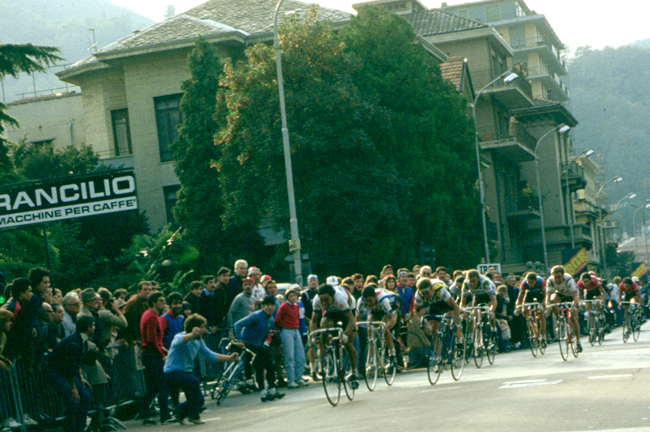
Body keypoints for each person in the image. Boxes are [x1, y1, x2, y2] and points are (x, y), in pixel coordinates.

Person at [164, 314, 238, 425]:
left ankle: (189, 415)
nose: (205, 330)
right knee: (194, 382)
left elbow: (210, 355)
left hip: (186, 372)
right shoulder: (180, 336)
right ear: (195, 328)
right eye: (202, 327)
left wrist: (229, 358)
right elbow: (179, 342)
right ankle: (179, 409)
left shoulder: (199, 342)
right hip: (173, 372)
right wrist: (192, 335)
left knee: (198, 400)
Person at [45, 315, 95, 432]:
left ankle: (80, 428)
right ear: (88, 328)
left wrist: (81, 378)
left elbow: (76, 363)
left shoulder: (82, 341)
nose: (94, 328)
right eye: (92, 326)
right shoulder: (74, 342)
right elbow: (70, 365)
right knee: (73, 400)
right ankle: (71, 429)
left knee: (86, 398)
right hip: (56, 372)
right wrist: (73, 387)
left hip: (67, 373)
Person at [234, 296, 285, 402]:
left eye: (272, 305)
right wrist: (239, 340)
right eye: (267, 305)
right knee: (259, 367)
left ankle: (272, 390)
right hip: (249, 344)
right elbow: (237, 324)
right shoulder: (256, 316)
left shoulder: (270, 318)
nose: (270, 307)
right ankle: (263, 393)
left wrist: (270, 333)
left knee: (270, 365)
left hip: (259, 345)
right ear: (262, 306)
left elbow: (263, 331)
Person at [309, 283, 358, 389]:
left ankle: (354, 372)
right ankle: (329, 355)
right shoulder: (317, 301)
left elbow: (351, 320)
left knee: (348, 343)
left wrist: (345, 334)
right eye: (322, 300)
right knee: (323, 326)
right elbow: (313, 321)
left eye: (326, 299)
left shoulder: (340, 299)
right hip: (331, 311)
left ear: (332, 296)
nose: (323, 303)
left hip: (347, 308)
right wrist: (313, 336)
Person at [139, 292, 170, 424]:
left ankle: (143, 411)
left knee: (153, 386)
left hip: (150, 353)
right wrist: (162, 354)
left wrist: (163, 350)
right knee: (163, 384)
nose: (163, 303)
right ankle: (165, 414)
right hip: (152, 354)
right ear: (154, 302)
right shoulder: (151, 316)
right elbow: (152, 340)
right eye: (160, 301)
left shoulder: (151, 315)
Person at [355, 285, 399, 370]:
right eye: (367, 301)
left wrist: (387, 327)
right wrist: (355, 329)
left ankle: (392, 355)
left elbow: (392, 318)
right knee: (370, 326)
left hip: (390, 306)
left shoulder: (383, 300)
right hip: (377, 308)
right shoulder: (361, 301)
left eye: (370, 300)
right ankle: (372, 358)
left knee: (384, 328)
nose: (369, 303)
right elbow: (357, 319)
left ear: (374, 297)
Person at [414, 277, 463, 347]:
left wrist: (456, 323)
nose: (426, 296)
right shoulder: (418, 295)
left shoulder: (440, 289)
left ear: (431, 288)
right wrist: (421, 321)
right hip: (434, 304)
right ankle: (437, 356)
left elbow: (455, 307)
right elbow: (415, 310)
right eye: (423, 294)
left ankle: (459, 341)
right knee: (433, 330)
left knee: (451, 325)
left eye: (427, 293)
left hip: (445, 301)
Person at [275, 286, 308, 388]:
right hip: (287, 330)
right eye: (291, 296)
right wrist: (283, 327)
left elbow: (297, 317)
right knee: (289, 356)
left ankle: (299, 377)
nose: (293, 298)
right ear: (287, 297)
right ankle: (291, 380)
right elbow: (277, 319)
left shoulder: (297, 306)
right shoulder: (284, 306)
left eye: (294, 295)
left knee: (300, 356)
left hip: (296, 330)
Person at [546, 265, 582, 353]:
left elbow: (575, 297)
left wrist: (574, 305)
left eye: (559, 277)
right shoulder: (550, 280)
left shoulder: (569, 280)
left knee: (574, 318)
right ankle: (559, 320)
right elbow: (548, 296)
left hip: (570, 296)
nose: (557, 279)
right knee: (552, 301)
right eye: (555, 277)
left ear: (563, 275)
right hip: (560, 294)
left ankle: (578, 341)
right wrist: (548, 306)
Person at [459, 270, 498, 340]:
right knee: (474, 314)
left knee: (490, 310)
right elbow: (462, 301)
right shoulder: (465, 283)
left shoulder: (485, 282)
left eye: (474, 281)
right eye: (470, 281)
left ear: (478, 278)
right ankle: (471, 335)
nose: (472, 284)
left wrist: (491, 311)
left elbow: (493, 300)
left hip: (487, 294)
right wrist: (461, 309)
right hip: (477, 295)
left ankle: (493, 328)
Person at [515, 272, 547, 346]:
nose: (530, 284)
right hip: (529, 294)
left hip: (540, 294)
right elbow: (520, 298)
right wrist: (517, 307)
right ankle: (530, 322)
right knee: (524, 309)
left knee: (541, 314)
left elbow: (546, 296)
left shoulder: (541, 282)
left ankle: (543, 336)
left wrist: (543, 305)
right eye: (528, 283)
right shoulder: (523, 284)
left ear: (535, 280)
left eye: (532, 283)